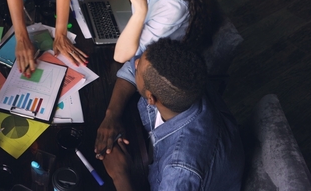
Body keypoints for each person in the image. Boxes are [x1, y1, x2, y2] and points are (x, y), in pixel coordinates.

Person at [92, 0, 222, 159]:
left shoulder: (173, 6)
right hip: (140, 49)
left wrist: (140, 11)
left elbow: (123, 56)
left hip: (152, 67)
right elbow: (141, 6)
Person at [102, 38, 244, 190]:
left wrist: (120, 175)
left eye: (138, 68)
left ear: (151, 98)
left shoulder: (180, 170)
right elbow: (132, 69)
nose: (134, 63)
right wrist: (112, 115)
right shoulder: (184, 81)